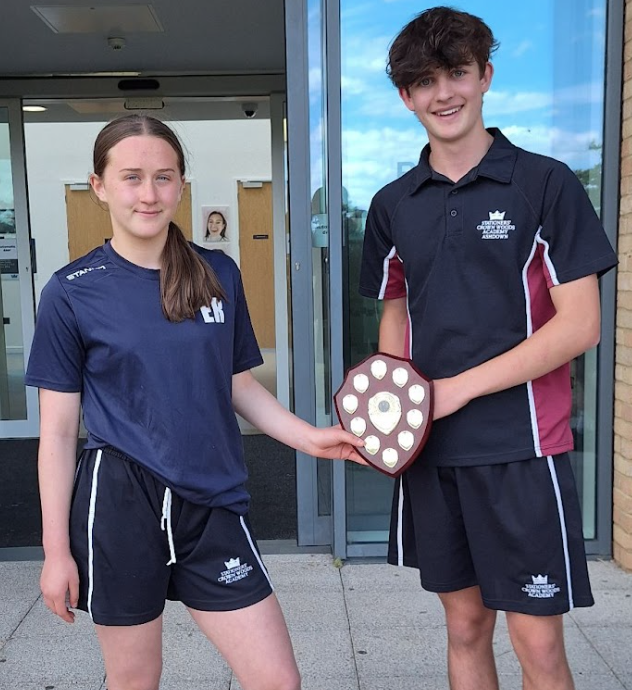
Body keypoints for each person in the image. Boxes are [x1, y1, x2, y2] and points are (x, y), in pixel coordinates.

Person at [26, 114, 364, 690]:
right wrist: (56, 552)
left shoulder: (218, 274)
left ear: (181, 184)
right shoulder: (71, 290)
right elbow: (57, 434)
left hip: (212, 502)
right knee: (135, 681)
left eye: (163, 177)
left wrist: (311, 438)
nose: (149, 193)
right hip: (121, 504)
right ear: (100, 185)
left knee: (277, 679)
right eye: (131, 177)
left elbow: (236, 385)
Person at [359, 7, 617, 690]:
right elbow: (395, 316)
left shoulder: (545, 184)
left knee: (539, 647)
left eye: (457, 74)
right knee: (465, 628)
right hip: (433, 453)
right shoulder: (393, 204)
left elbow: (579, 326)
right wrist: (391, 419)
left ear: (485, 78)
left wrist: (456, 389)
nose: (443, 93)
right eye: (423, 81)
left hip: (523, 451)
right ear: (405, 96)